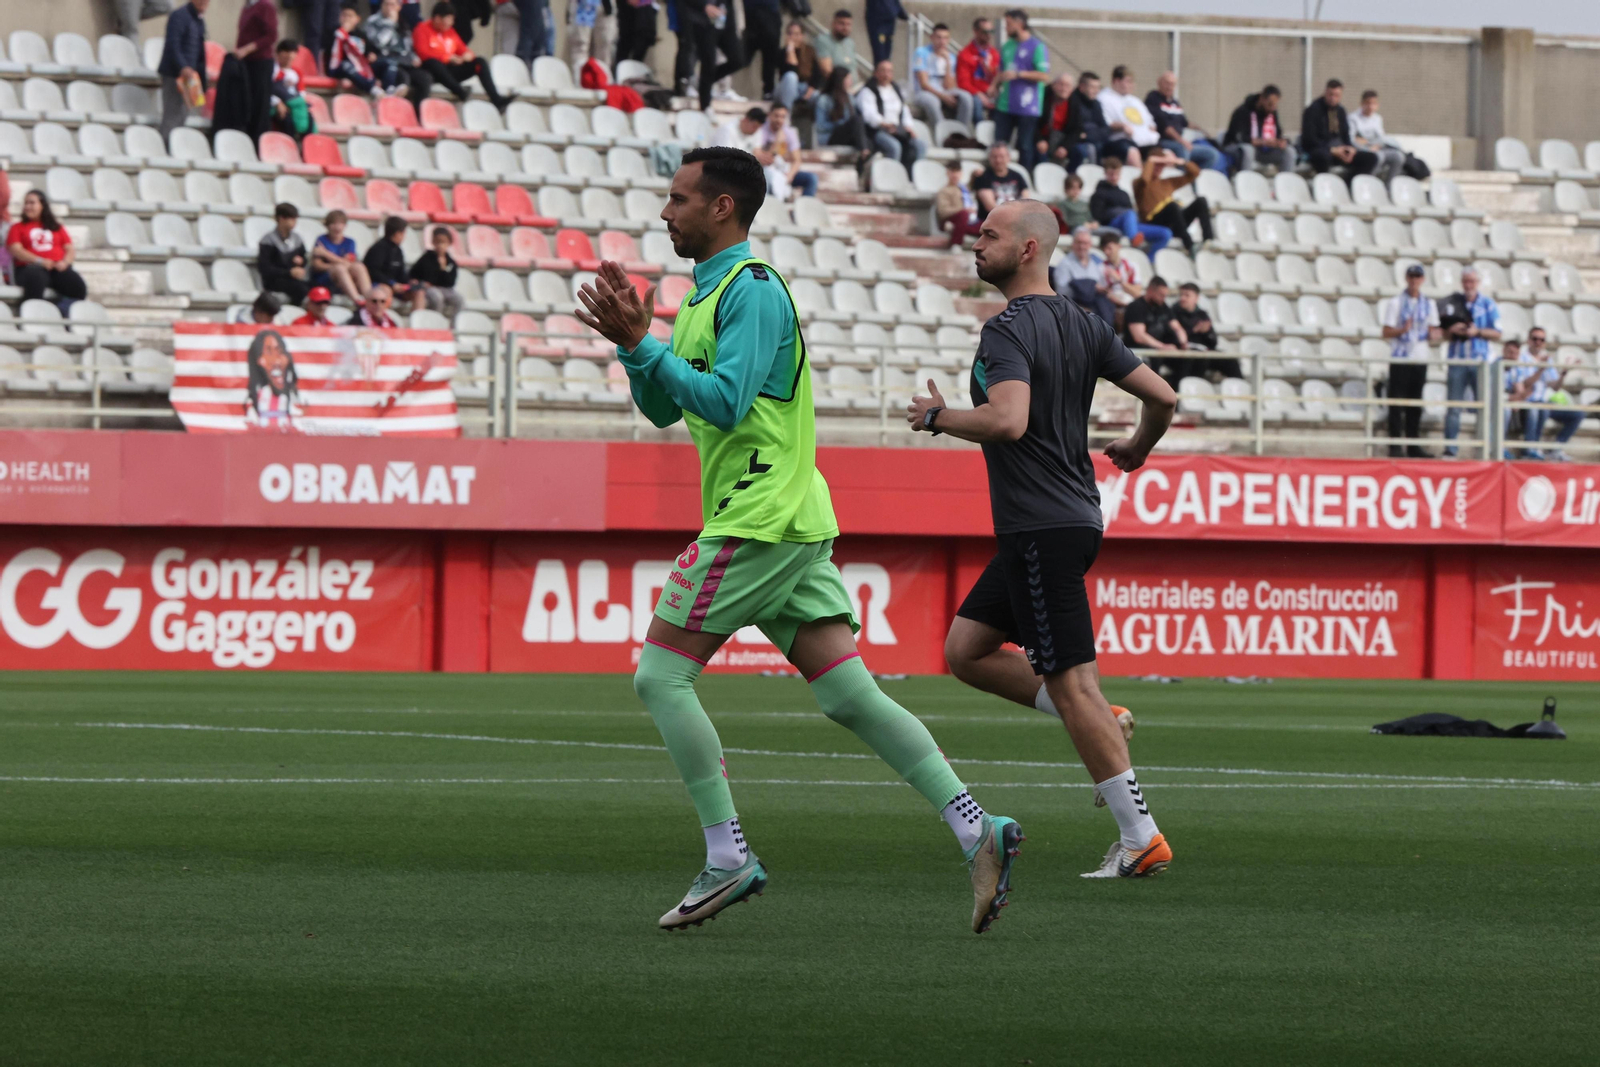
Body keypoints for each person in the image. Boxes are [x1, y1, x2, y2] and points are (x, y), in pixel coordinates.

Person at [572, 145, 1024, 933]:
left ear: (722, 208)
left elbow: (723, 398)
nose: (663, 211)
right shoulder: (703, 296)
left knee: (659, 677)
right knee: (850, 693)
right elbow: (662, 408)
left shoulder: (753, 290)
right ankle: (975, 826)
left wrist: (647, 347)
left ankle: (727, 854)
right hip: (787, 516)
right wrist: (634, 340)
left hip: (759, 514)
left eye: (678, 199)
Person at [904, 197, 1177, 880]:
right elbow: (1165, 396)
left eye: (990, 234)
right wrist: (1138, 448)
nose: (976, 242)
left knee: (1073, 678)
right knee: (966, 648)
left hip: (1039, 524)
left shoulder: (1006, 328)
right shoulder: (1087, 323)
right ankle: (1094, 715)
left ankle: (1140, 834)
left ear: (1029, 248)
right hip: (1073, 518)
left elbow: (1008, 421)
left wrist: (939, 416)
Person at [1380, 263, 1441, 458]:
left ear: (1422, 280)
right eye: (1411, 276)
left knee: (1415, 402)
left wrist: (1434, 335)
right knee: (1396, 402)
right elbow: (1386, 331)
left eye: (1418, 277)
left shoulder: (1429, 304)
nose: (1414, 280)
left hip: (1419, 357)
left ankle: (1413, 444)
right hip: (1400, 356)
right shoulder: (1396, 302)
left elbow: (1434, 330)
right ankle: (1396, 444)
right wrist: (1402, 330)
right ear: (1407, 278)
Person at [1443, 266, 1502, 456]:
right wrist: (1453, 330)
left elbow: (1497, 333)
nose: (1469, 285)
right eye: (1466, 281)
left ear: (1478, 283)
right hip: (1458, 360)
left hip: (1480, 362)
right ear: (1462, 283)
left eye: (1472, 281)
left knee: (1483, 407)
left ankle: (1484, 449)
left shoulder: (1487, 304)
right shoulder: (1453, 304)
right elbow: (1439, 332)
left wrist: (1478, 332)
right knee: (1454, 407)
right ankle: (1451, 449)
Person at [414, 2, 511, 111]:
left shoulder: (450, 32)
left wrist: (466, 56)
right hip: (433, 71)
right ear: (437, 18)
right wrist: (447, 58)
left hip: (450, 70)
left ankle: (497, 100)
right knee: (433, 63)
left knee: (480, 62)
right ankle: (460, 91)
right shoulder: (422, 29)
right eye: (449, 19)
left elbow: (465, 50)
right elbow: (423, 53)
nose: (452, 23)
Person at [1507, 329, 1582, 461]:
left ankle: (1556, 447)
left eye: (1541, 339)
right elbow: (1523, 384)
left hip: (1544, 402)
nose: (1538, 342)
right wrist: (1540, 369)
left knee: (1577, 414)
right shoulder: (1521, 358)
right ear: (1528, 340)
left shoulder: (1548, 360)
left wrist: (1564, 373)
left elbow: (1555, 387)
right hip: (1527, 401)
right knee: (1538, 410)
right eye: (1535, 338)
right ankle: (1529, 450)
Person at [7, 190, 88, 307]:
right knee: (37, 278)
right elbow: (16, 250)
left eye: (32, 203)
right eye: (26, 203)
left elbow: (69, 249)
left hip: (55, 268)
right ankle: (32, 314)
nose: (27, 207)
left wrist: (64, 263)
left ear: (42, 205)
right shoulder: (17, 228)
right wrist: (40, 261)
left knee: (77, 286)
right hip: (30, 268)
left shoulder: (56, 227)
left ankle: (60, 310)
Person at [992, 9, 1049, 171]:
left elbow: (1044, 76)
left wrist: (1019, 74)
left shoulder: (1037, 46)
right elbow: (1001, 70)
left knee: (1024, 145)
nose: (1006, 28)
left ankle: (1024, 177)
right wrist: (993, 86)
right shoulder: (1007, 46)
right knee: (999, 143)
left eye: (1009, 24)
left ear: (1020, 23)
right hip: (1005, 104)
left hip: (1028, 106)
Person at [1133, 151, 1213, 255]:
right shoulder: (1138, 183)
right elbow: (1144, 179)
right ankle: (1189, 244)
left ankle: (1208, 240)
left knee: (1201, 201)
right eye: (1156, 165)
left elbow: (1195, 173)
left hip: (1174, 221)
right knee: (1172, 206)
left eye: (1161, 165)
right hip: (1154, 222)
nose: (1159, 168)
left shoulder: (1167, 183)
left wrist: (1180, 161)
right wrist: (1151, 160)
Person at [1089, 156, 1169, 255]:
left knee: (1165, 233)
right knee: (1129, 214)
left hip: (1130, 224)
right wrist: (1117, 213)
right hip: (1113, 224)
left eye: (1116, 174)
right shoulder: (1099, 193)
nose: (1114, 177)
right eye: (1111, 174)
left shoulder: (1124, 194)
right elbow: (1098, 215)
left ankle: (1149, 260)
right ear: (1105, 174)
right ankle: (1134, 240)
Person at [1144, 71, 1221, 171]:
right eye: (1167, 83)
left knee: (1212, 154)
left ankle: (1194, 180)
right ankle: (1181, 181)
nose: (1169, 87)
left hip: (1180, 142)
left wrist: (1204, 132)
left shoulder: (1174, 103)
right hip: (1163, 142)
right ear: (1159, 83)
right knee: (1182, 150)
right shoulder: (1153, 98)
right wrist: (1182, 141)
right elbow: (1166, 127)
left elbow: (1185, 122)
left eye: (1172, 84)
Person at [1302, 79, 1376, 183]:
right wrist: (1332, 150)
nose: (1333, 98)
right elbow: (1309, 138)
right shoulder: (1313, 110)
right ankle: (1325, 186)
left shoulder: (1340, 111)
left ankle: (1348, 184)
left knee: (1370, 158)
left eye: (1336, 95)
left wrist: (1350, 149)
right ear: (1325, 93)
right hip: (1322, 149)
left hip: (1340, 150)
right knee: (1322, 157)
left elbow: (1346, 135)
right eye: (1330, 94)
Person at [679, 0, 745, 112]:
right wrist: (704, 6)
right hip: (702, 22)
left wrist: (731, 23)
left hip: (724, 20)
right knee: (708, 63)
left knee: (738, 60)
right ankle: (705, 105)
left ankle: (704, 83)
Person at [157, 0, 208, 141]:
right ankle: (164, 149)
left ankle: (174, 148)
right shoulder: (179, 16)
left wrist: (202, 78)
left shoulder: (198, 20)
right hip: (174, 75)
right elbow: (173, 44)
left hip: (190, 79)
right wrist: (182, 66)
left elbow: (199, 52)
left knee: (182, 117)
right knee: (172, 117)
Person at [856, 60, 926, 165]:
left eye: (889, 71)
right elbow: (868, 114)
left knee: (920, 145)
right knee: (894, 146)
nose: (886, 74)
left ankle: (916, 176)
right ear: (876, 73)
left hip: (898, 130)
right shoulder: (868, 91)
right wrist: (884, 124)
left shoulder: (895, 90)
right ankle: (891, 176)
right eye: (883, 71)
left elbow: (904, 110)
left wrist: (908, 126)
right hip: (877, 131)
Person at [910, 23, 975, 130]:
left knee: (966, 97)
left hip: (943, 91)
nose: (942, 42)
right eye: (939, 37)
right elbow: (924, 84)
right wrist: (943, 97)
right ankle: (942, 133)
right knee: (933, 102)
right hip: (924, 93)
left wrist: (948, 63)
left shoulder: (951, 57)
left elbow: (950, 87)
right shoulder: (922, 53)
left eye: (945, 38)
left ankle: (961, 132)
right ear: (932, 38)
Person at [366, 0, 431, 102]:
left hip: (404, 60)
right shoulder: (373, 21)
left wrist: (414, 57)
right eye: (386, 4)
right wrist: (390, 24)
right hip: (384, 60)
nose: (389, 7)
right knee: (401, 76)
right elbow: (378, 43)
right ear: (381, 5)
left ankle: (417, 113)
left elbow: (408, 45)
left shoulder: (402, 22)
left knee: (425, 78)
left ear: (399, 7)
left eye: (392, 4)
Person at [234, 0, 280, 143]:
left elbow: (271, 36)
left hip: (260, 62)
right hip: (247, 63)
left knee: (259, 107)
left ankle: (258, 142)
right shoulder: (248, 6)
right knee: (247, 104)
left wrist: (247, 49)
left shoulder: (265, 6)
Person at [1223, 85, 1294, 175]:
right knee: (1248, 150)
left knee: (1289, 152)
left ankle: (1285, 185)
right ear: (1262, 99)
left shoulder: (1272, 113)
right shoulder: (1243, 111)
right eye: (1270, 104)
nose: (1272, 108)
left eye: (1275, 105)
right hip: (1238, 147)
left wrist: (1281, 142)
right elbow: (1240, 138)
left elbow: (1278, 134)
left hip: (1263, 150)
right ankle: (1245, 182)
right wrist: (1264, 142)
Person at [1171, 282, 1234, 378]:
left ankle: (1243, 390)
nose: (1182, 298)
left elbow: (1213, 342)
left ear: (1196, 298)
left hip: (1203, 350)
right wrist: (1194, 331)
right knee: (1198, 359)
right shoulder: (1173, 313)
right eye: (1181, 295)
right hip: (1183, 352)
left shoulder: (1202, 315)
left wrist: (1207, 332)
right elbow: (1172, 336)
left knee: (1230, 360)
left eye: (1187, 295)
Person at [1095, 65, 1155, 167]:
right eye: (1128, 81)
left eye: (1132, 82)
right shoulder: (1103, 98)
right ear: (1116, 81)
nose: (1132, 85)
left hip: (1143, 140)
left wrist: (1150, 129)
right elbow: (1106, 124)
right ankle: (1140, 182)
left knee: (1164, 155)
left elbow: (1151, 123)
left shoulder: (1135, 101)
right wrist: (1122, 126)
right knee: (1133, 153)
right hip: (1117, 141)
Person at [311, 210, 373, 303]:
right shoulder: (321, 240)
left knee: (359, 266)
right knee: (339, 268)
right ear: (327, 225)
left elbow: (349, 262)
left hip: (346, 276)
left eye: (340, 223)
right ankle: (357, 300)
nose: (337, 227)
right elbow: (317, 265)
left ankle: (370, 298)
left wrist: (326, 254)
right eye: (333, 224)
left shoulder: (350, 242)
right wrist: (335, 266)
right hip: (327, 277)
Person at [756, 105, 816, 199]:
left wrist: (789, 176)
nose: (779, 120)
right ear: (769, 115)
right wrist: (777, 143)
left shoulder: (790, 132)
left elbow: (797, 160)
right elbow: (765, 160)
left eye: (783, 116)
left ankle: (803, 209)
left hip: (783, 171)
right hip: (765, 171)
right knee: (768, 176)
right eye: (776, 116)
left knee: (811, 178)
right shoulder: (761, 130)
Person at [815, 68, 870, 166]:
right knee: (857, 121)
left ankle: (861, 170)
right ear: (840, 80)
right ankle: (864, 151)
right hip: (830, 136)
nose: (851, 82)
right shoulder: (824, 99)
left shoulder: (849, 98)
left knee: (869, 142)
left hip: (846, 134)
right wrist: (838, 124)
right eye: (848, 79)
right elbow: (820, 126)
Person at [1349, 90, 1407, 184]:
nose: (1371, 107)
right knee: (1378, 157)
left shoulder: (1377, 118)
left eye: (1374, 103)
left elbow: (1381, 138)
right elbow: (1353, 140)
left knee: (1398, 156)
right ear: (1362, 103)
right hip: (1363, 150)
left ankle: (1389, 186)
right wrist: (1368, 145)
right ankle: (1370, 184)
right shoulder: (1353, 118)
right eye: (1368, 103)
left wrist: (1371, 143)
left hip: (1377, 148)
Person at [258, 203, 310, 305]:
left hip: (293, 279)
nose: (295, 223)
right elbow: (265, 268)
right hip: (274, 280)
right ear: (281, 218)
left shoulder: (297, 239)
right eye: (292, 219)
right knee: (301, 289)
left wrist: (301, 262)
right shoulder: (268, 240)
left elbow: (303, 257)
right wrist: (289, 272)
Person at [1123, 275, 1186, 359]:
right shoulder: (1136, 307)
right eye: (1160, 295)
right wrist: (1162, 346)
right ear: (1150, 291)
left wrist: (1183, 343)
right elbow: (1139, 337)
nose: (1163, 298)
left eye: (1165, 295)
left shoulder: (1163, 307)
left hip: (1159, 349)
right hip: (1139, 351)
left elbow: (1177, 327)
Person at [364, 216, 421, 308]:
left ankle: (417, 319)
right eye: (403, 233)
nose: (404, 237)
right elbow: (373, 272)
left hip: (396, 286)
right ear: (397, 234)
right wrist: (391, 284)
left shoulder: (398, 250)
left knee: (418, 292)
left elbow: (400, 272)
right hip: (379, 285)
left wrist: (409, 282)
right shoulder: (378, 248)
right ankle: (383, 320)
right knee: (386, 291)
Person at [409, 226, 465, 318]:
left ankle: (455, 325)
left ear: (449, 243)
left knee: (460, 300)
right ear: (433, 242)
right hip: (430, 288)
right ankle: (435, 321)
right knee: (437, 298)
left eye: (443, 242)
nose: (440, 245)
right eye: (437, 242)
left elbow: (450, 282)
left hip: (445, 289)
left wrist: (443, 269)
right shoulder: (427, 258)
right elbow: (416, 273)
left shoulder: (450, 262)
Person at [329, 3, 382, 97]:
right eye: (344, 15)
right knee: (346, 65)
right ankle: (371, 88)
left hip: (358, 69)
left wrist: (371, 55)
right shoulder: (333, 32)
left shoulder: (361, 35)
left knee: (387, 63)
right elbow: (331, 54)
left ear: (357, 19)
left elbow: (369, 51)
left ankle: (391, 90)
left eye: (350, 16)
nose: (346, 18)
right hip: (339, 68)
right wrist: (343, 33)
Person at [970, 142, 1030, 221]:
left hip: (1016, 219)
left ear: (1008, 157)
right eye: (994, 157)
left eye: (1001, 156)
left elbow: (1026, 200)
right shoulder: (983, 177)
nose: (998, 160)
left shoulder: (1017, 176)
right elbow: (990, 207)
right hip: (992, 221)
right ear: (989, 158)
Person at [955, 17, 999, 124]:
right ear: (976, 31)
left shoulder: (993, 53)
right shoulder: (965, 54)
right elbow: (963, 82)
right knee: (977, 103)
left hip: (991, 91)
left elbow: (999, 75)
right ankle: (980, 134)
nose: (989, 35)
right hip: (974, 93)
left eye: (991, 31)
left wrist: (993, 84)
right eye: (985, 32)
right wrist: (978, 93)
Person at [773, 21, 819, 114]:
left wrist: (807, 95)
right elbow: (792, 69)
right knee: (791, 76)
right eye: (790, 34)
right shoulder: (782, 53)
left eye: (797, 34)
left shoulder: (810, 51)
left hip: (804, 89)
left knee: (819, 97)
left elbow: (817, 75)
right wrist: (790, 50)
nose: (793, 37)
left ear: (802, 36)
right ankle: (786, 115)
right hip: (785, 89)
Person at [740, 0, 782, 100]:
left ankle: (768, 92)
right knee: (740, 59)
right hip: (752, 17)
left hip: (770, 18)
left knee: (769, 60)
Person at [567, 0, 617, 79]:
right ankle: (580, 83)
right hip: (583, 4)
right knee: (580, 46)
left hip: (605, 5)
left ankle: (603, 84)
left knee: (605, 47)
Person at [936, 159, 981, 247]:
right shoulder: (944, 191)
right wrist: (963, 210)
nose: (955, 175)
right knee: (963, 215)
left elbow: (972, 185)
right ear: (947, 173)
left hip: (968, 220)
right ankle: (956, 244)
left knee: (988, 225)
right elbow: (943, 211)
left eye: (957, 171)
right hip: (953, 218)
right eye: (952, 171)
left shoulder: (963, 188)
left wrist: (974, 175)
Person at [811, 10, 857, 82]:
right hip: (833, 89)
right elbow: (826, 70)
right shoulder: (823, 41)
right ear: (833, 24)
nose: (845, 28)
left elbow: (853, 68)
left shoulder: (850, 43)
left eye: (848, 24)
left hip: (853, 89)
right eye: (842, 24)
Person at [1099, 232, 1141, 307]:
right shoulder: (1100, 268)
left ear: (1119, 246)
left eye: (1109, 248)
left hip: (1131, 306)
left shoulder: (1131, 266)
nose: (1106, 252)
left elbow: (1137, 293)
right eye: (1104, 249)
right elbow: (1105, 293)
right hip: (1111, 306)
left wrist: (1119, 280)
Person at [615, 0, 659, 67]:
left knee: (644, 39)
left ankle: (635, 69)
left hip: (646, 8)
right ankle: (621, 70)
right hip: (629, 9)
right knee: (626, 42)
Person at [866, 0, 908, 65]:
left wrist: (907, 17)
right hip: (878, 25)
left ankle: (885, 72)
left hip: (889, 26)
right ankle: (880, 73)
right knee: (880, 58)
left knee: (887, 57)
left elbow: (897, 6)